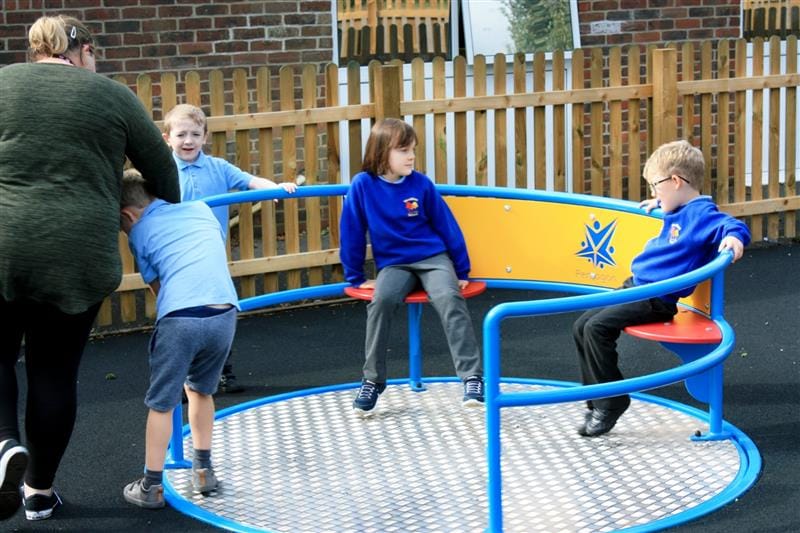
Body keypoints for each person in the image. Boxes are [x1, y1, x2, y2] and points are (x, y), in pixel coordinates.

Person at [0, 15, 179, 521]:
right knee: (53, 372)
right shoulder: (111, 95)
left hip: (5, 241)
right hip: (78, 250)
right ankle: (38, 491)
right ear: (82, 51)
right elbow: (165, 175)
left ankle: (3, 444)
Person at [573, 139, 751, 438]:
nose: (653, 194)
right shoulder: (680, 208)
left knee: (596, 329)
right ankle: (598, 399)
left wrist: (734, 239)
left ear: (677, 181)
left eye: (656, 187)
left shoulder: (701, 213)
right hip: (637, 287)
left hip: (656, 297)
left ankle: (611, 402)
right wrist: (662, 203)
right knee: (581, 325)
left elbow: (730, 225)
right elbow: (675, 216)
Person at [339, 118, 484, 415]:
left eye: (413, 150)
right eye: (403, 150)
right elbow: (351, 231)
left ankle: (472, 377)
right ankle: (372, 380)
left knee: (448, 298)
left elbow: (447, 226)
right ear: (382, 152)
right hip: (394, 263)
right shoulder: (363, 186)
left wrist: (461, 270)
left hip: (432, 258)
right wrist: (355, 276)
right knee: (381, 301)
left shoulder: (421, 184)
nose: (411, 156)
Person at [119, 170, 238, 509]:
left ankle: (151, 486)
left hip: (181, 317)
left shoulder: (139, 231)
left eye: (122, 224)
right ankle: (203, 471)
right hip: (224, 310)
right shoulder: (199, 209)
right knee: (202, 390)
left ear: (128, 215)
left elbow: (159, 289)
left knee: (162, 403)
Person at [161, 103, 297, 394]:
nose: (188, 141)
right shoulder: (164, 171)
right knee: (182, 317)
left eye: (195, 134)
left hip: (210, 257)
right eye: (181, 134)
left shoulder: (217, 167)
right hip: (176, 256)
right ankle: (181, 377)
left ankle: (223, 371)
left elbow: (249, 181)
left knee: (218, 311)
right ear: (167, 138)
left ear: (205, 137)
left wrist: (274, 187)